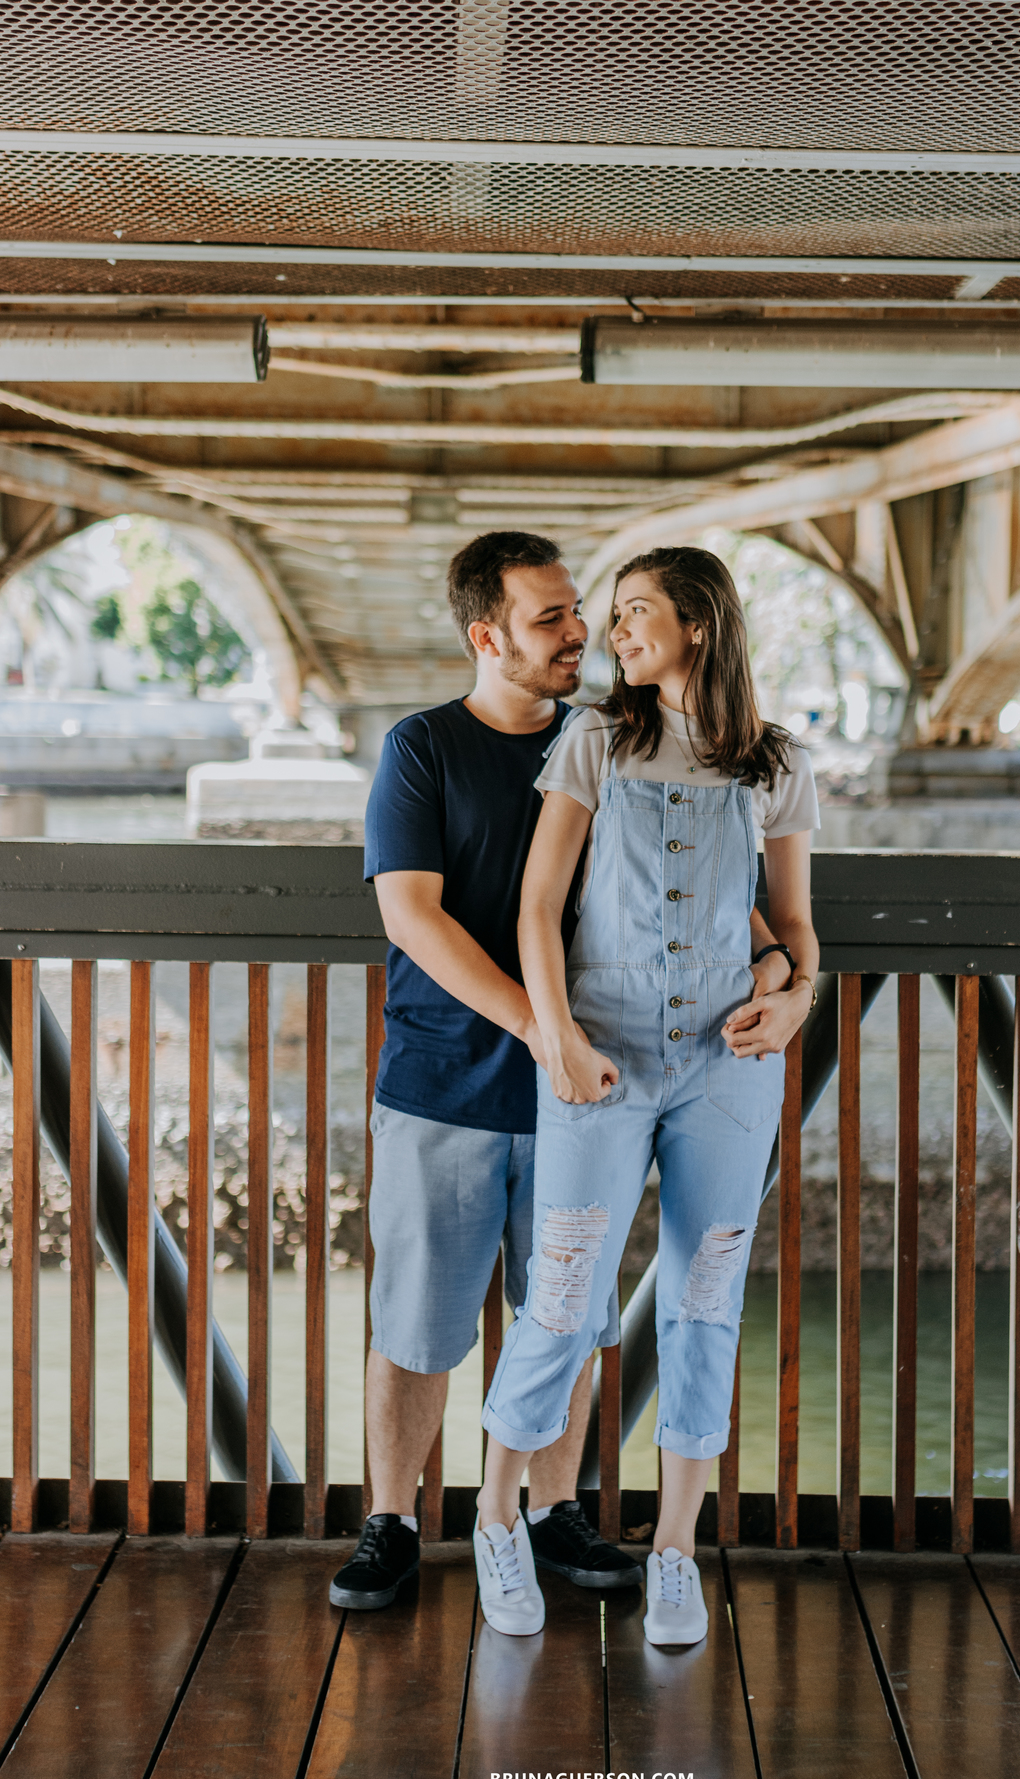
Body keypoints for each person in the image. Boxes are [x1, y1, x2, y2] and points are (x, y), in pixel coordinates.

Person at [474, 545, 820, 1644]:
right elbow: (538, 912)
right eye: (612, 616)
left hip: (730, 1068)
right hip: (601, 1061)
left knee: (705, 1301)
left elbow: (799, 934)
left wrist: (798, 997)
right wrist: (558, 1040)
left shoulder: (776, 763)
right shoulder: (594, 742)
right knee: (564, 1293)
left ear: (700, 625)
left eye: (635, 613)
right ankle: (495, 1519)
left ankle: (676, 1550)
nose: (614, 633)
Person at [329, 531, 642, 1611]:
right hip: (443, 1088)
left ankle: (552, 1515)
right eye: (550, 617)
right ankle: (392, 1523)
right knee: (418, 1324)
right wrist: (538, 1026)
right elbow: (410, 914)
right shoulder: (422, 748)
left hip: (585, 1097)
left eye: (576, 611)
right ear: (485, 635)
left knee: (572, 1317)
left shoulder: (607, 743)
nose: (578, 632)